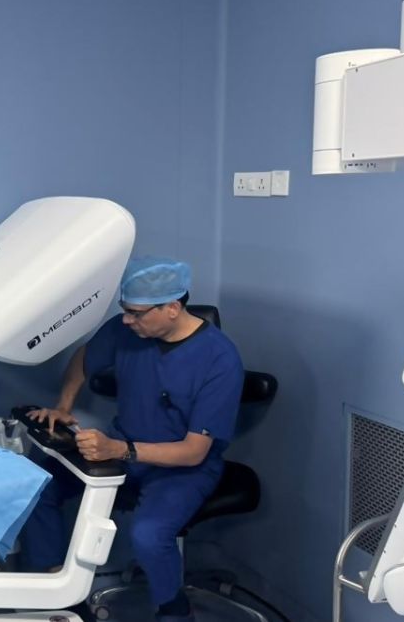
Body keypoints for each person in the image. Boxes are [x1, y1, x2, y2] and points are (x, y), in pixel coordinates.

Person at [20, 256, 243, 622]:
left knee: (149, 535)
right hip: (124, 448)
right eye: (125, 310)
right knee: (37, 486)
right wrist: (63, 406)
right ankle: (58, 598)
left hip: (182, 467)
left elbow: (193, 452)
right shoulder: (126, 331)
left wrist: (120, 450)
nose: (126, 320)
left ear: (172, 307)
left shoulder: (220, 359)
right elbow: (85, 358)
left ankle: (175, 613)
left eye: (136, 314)